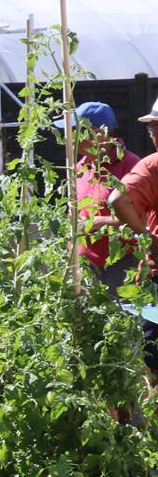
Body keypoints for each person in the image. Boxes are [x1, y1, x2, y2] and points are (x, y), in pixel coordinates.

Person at [60, 101, 140, 287]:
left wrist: (99, 222)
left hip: (122, 264)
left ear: (100, 133)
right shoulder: (79, 167)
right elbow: (74, 213)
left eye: (77, 130)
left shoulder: (131, 166)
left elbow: (142, 218)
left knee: (122, 314)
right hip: (85, 264)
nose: (71, 137)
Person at [108, 98, 158, 372]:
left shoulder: (153, 166)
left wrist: (148, 238)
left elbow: (119, 198)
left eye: (153, 128)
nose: (151, 135)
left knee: (155, 365)